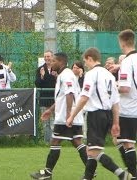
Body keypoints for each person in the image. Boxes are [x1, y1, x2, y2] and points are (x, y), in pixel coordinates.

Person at [66, 47, 130, 180]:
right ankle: (87, 177)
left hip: (95, 115)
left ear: (90, 58)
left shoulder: (91, 74)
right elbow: (115, 102)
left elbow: (84, 97)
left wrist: (72, 115)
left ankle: (121, 174)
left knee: (93, 151)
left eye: (85, 61)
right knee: (92, 151)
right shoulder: (109, 75)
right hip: (107, 115)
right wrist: (116, 122)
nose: (86, 65)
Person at [30, 53, 87, 179]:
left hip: (65, 117)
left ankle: (47, 173)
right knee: (76, 141)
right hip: (69, 115)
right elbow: (62, 97)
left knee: (55, 141)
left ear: (61, 62)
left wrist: (68, 115)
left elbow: (70, 94)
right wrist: (50, 110)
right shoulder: (63, 74)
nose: (51, 63)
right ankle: (90, 171)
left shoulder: (66, 74)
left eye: (54, 61)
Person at [116, 29, 137, 179]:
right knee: (118, 139)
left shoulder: (127, 62)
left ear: (122, 43)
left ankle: (133, 174)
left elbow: (124, 88)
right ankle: (131, 170)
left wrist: (112, 88)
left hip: (129, 108)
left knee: (127, 143)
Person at [35, 50, 57, 143]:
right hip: (44, 99)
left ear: (52, 57)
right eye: (45, 56)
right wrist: (42, 76)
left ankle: (55, 140)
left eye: (48, 56)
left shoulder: (57, 69)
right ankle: (46, 141)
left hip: (55, 99)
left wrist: (55, 76)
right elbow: (37, 84)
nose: (47, 58)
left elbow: (59, 83)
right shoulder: (40, 69)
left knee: (54, 121)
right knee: (45, 122)